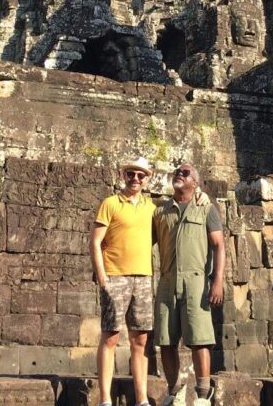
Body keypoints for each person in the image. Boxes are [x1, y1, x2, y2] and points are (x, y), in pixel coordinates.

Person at [153, 163, 225, 406]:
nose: (179, 175)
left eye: (185, 173)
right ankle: (174, 391)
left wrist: (217, 280)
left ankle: (203, 394)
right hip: (167, 280)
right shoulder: (161, 211)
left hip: (196, 281)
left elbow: (219, 245)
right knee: (165, 338)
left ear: (195, 182)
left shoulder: (206, 208)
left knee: (200, 338)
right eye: (177, 172)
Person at [90, 157, 157, 406]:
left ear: (147, 179)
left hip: (143, 278)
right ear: (123, 175)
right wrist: (102, 277)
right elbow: (96, 241)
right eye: (131, 174)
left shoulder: (152, 208)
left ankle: (141, 399)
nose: (135, 179)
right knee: (111, 336)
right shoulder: (110, 203)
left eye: (141, 175)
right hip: (114, 276)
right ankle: (105, 399)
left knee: (140, 340)